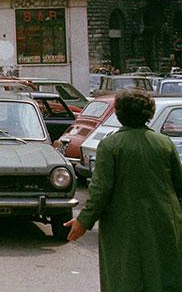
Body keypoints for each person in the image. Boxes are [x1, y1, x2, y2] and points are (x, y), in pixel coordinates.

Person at [64, 89, 182, 291]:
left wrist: (83, 221)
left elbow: (100, 191)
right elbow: (178, 185)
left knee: (124, 276)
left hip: (123, 224)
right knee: (162, 276)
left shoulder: (110, 145)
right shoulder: (164, 143)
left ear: (118, 114)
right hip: (164, 221)